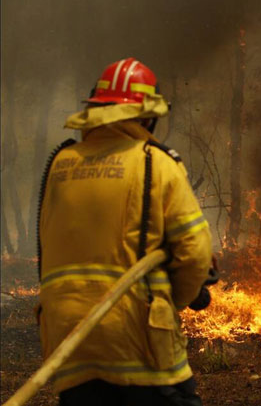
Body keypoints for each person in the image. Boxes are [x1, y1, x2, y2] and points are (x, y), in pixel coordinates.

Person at [37, 57, 213, 406]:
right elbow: (194, 253)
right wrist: (169, 304)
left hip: (67, 338)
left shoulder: (62, 164)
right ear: (147, 116)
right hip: (136, 335)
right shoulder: (156, 162)